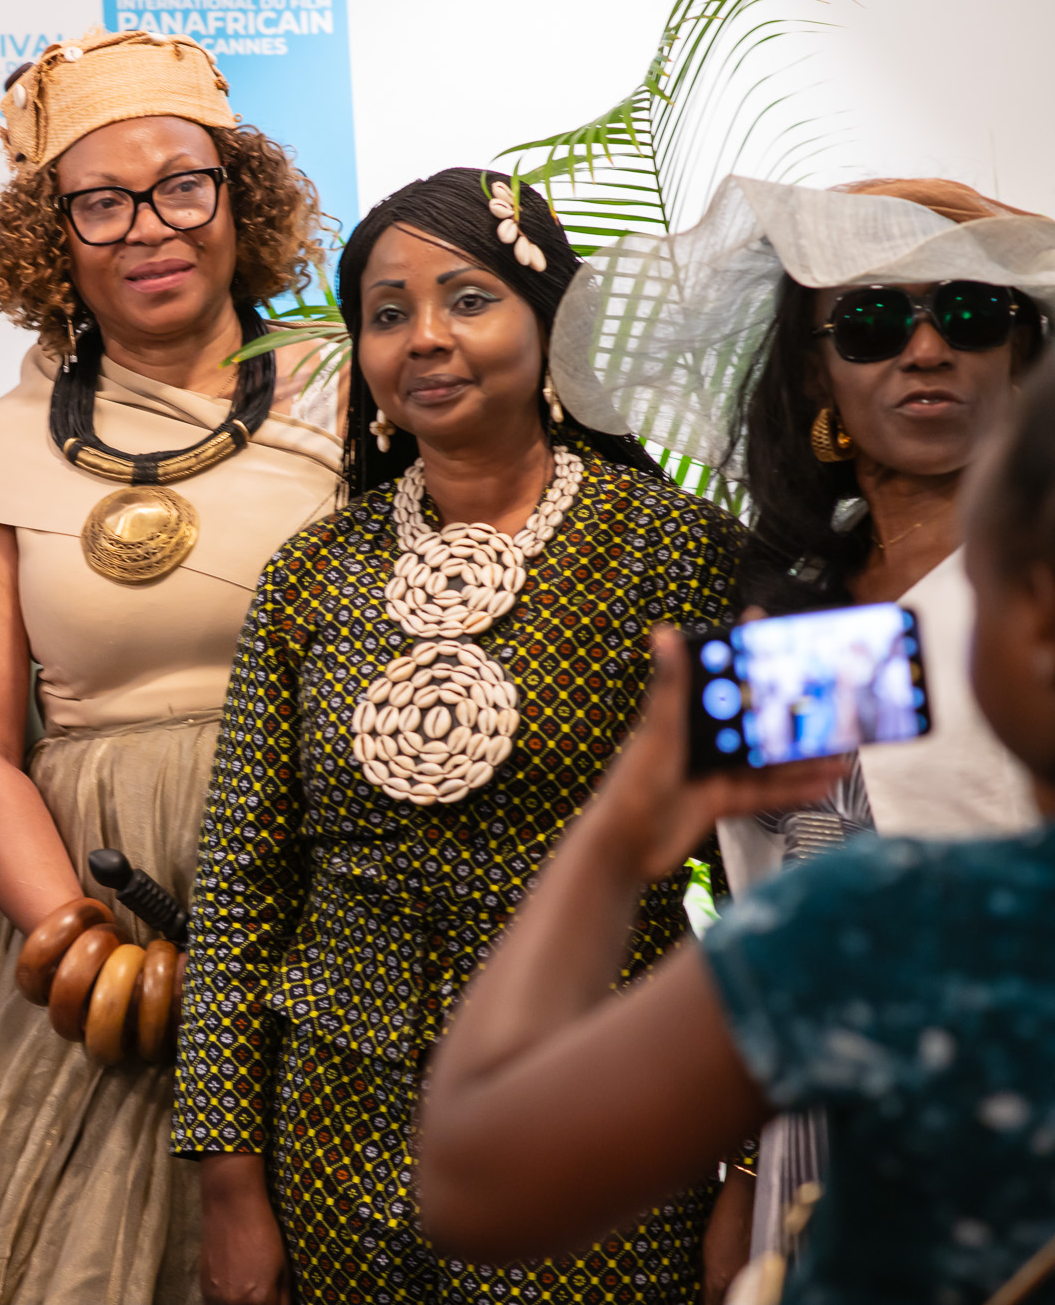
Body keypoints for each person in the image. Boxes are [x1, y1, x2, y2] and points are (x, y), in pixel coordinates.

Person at [171, 168, 753, 1305]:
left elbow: (757, 878)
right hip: (334, 1126)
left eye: (469, 299)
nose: (426, 338)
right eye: (387, 313)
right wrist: (230, 1182)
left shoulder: (681, 553)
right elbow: (239, 889)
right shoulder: (309, 575)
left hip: (606, 1102)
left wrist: (747, 1163)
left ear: (550, 323)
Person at [0, 28, 339, 1305]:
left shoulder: (353, 390)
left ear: (239, 198)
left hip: (331, 883)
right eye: (100, 203)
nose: (147, 228)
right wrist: (76, 945)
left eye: (181, 186)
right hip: (93, 903)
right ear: (50, 237)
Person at [414, 353, 1055, 1305]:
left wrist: (615, 841)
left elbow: (480, 1181)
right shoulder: (793, 590)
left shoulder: (891, 924)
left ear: (1033, 617)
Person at [550, 175, 1054, 1262]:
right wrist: (744, 1171)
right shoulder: (779, 608)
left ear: (1021, 353)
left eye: (969, 312)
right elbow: (755, 894)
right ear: (815, 372)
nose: (926, 349)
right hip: (808, 1137)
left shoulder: (1036, 608)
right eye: (870, 321)